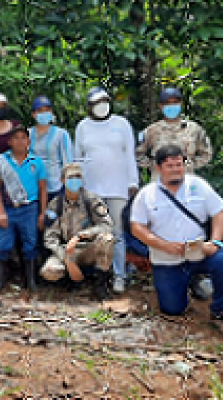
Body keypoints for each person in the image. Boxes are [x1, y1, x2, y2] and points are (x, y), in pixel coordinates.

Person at [129, 145, 223, 350]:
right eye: (170, 166)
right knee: (173, 309)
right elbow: (137, 228)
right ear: (158, 168)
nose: (176, 170)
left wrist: (215, 241)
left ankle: (220, 311)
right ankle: (186, 286)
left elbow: (220, 212)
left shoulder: (198, 185)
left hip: (199, 253)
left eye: (179, 164)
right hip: (167, 260)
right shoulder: (147, 194)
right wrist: (164, 245)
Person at [74, 87, 139, 294]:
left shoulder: (121, 124)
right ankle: (99, 275)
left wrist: (133, 183)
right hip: (92, 189)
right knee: (95, 233)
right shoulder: (83, 127)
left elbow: (130, 155)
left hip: (118, 188)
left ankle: (120, 275)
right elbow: (77, 158)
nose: (101, 105)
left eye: (105, 100)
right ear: (89, 106)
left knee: (118, 233)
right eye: (97, 102)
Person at [41, 164, 114, 300]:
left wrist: (81, 235)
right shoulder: (55, 204)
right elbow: (50, 238)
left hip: (89, 248)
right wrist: (66, 258)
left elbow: (107, 225)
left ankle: (100, 286)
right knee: (49, 271)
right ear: (62, 180)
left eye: (78, 177)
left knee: (107, 239)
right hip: (67, 250)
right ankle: (71, 284)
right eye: (70, 177)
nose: (74, 180)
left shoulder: (92, 200)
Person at [0, 127, 47, 292]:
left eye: (23, 138)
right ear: (9, 141)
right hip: (8, 208)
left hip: (30, 208)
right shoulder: (1, 161)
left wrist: (42, 213)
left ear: (29, 141)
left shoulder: (37, 162)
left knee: (30, 244)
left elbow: (43, 188)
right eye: (16, 138)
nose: (20, 141)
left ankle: (31, 281)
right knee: (2, 244)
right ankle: (0, 281)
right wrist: (0, 212)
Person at [136, 87, 213, 179]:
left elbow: (206, 153)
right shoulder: (151, 130)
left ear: (180, 104)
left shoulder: (194, 129)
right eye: (167, 103)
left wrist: (190, 165)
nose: (171, 105)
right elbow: (136, 153)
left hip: (186, 180)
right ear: (160, 106)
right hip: (160, 180)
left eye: (175, 102)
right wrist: (153, 165)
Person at [28, 95, 73, 198]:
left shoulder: (61, 134)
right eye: (40, 111)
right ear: (33, 114)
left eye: (47, 110)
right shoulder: (28, 134)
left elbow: (68, 162)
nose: (44, 113)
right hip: (34, 187)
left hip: (56, 187)